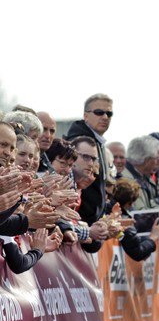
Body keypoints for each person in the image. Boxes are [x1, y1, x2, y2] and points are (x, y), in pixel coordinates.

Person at [65, 93, 112, 225]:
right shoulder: (78, 142)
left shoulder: (98, 141)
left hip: (91, 225)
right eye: (99, 112)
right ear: (86, 115)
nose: (105, 117)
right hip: (79, 224)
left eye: (109, 113)